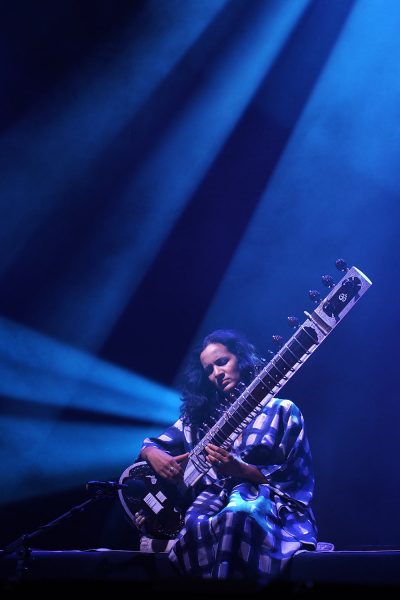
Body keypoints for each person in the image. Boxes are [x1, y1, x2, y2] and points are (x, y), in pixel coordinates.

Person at [137, 328, 318, 587]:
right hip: (213, 502)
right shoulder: (198, 423)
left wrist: (240, 470)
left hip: (267, 505)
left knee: (238, 514)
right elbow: (151, 444)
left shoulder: (282, 410)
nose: (217, 374)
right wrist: (153, 453)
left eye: (222, 362)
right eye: (209, 370)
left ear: (241, 359)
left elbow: (293, 478)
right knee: (200, 520)